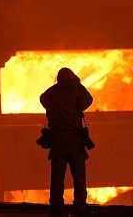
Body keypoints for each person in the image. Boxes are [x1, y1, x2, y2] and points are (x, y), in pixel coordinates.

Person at [40, 68, 93, 216]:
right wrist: (77, 84)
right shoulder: (77, 94)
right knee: (79, 177)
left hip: (58, 142)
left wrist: (57, 87)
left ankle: (56, 207)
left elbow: (42, 98)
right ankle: (80, 207)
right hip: (75, 142)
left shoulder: (51, 95)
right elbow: (88, 99)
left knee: (57, 177)